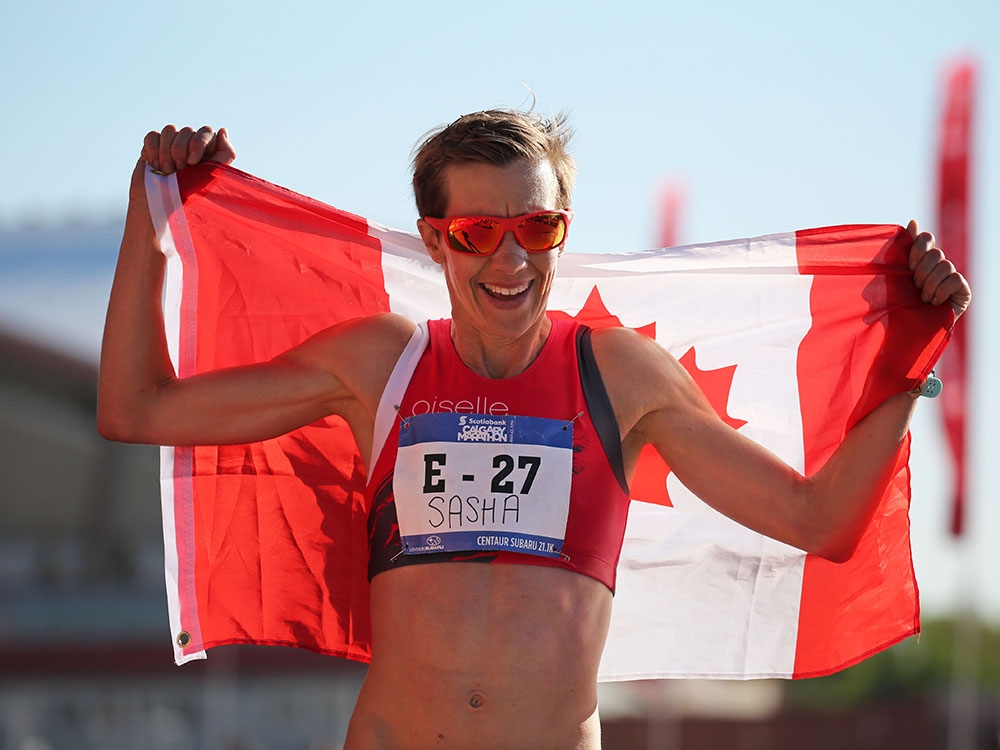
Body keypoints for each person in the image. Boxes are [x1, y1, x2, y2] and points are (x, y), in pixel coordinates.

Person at [98, 110, 971, 749]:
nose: (511, 260)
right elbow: (134, 409)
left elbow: (820, 521)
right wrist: (151, 211)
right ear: (436, 242)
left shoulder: (621, 374)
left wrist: (906, 369)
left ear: (562, 233)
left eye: (537, 227)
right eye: (479, 232)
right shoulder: (380, 362)